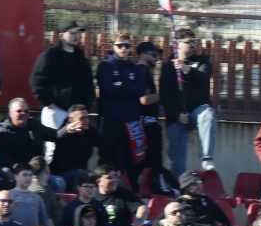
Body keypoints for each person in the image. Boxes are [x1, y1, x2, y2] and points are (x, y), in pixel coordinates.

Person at [29, 21, 95, 159]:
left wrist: (85, 107)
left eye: (77, 33)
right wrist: (49, 103)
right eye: (72, 33)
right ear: (61, 35)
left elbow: (89, 85)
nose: (76, 36)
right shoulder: (50, 55)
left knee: (77, 148)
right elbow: (36, 81)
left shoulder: (81, 59)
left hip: (76, 113)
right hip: (55, 111)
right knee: (52, 150)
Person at [95, 33, 155, 187]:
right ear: (112, 46)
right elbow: (108, 90)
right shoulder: (105, 66)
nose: (123, 49)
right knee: (108, 158)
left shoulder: (135, 69)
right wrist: (128, 87)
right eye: (120, 45)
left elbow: (140, 91)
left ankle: (132, 193)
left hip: (132, 121)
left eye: (127, 46)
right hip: (110, 119)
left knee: (133, 160)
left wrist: (121, 84)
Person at [160, 28, 218, 174]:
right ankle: (178, 185)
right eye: (188, 42)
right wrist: (177, 115)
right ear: (177, 44)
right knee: (178, 157)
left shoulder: (203, 61)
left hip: (197, 111)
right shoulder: (167, 67)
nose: (193, 45)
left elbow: (204, 79)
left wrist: (186, 69)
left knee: (208, 114)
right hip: (177, 117)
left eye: (194, 41)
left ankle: (207, 157)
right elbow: (165, 96)